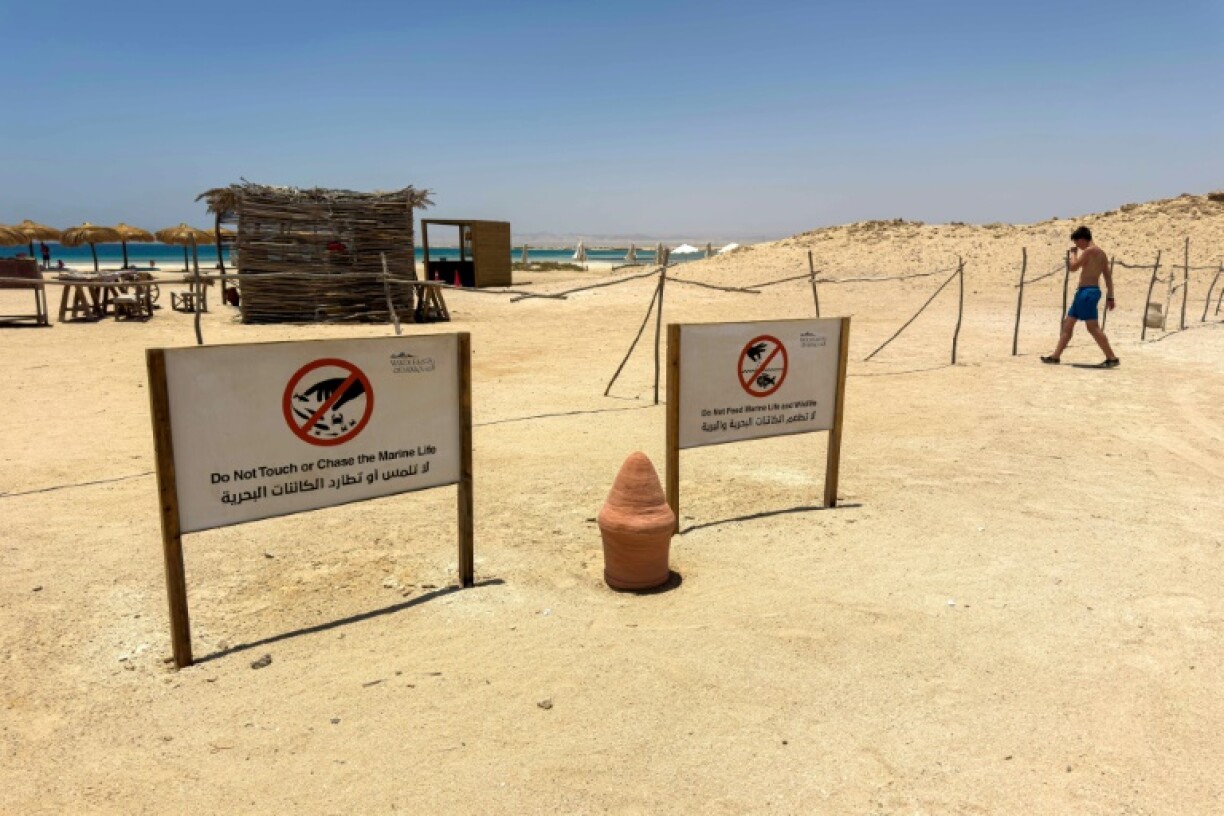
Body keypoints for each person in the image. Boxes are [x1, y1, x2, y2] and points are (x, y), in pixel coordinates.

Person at [1042, 226, 1119, 367]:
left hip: (1087, 293)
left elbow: (1073, 267)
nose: (1077, 246)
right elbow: (1107, 276)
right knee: (1068, 323)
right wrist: (1110, 296)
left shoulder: (1089, 251)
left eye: (1077, 243)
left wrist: (1073, 254)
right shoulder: (1102, 253)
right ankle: (1055, 356)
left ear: (1082, 239)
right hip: (1087, 292)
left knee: (1093, 327)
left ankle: (1111, 357)